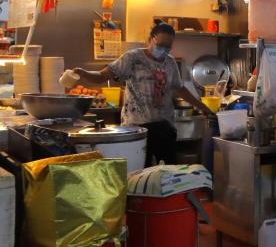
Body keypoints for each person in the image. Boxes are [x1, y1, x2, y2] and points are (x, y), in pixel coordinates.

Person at [72, 22, 215, 166]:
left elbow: (179, 88)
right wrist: (83, 73)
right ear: (150, 39)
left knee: (168, 170)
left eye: (168, 47)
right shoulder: (132, 58)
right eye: (160, 44)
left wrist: (202, 106)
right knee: (139, 171)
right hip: (136, 127)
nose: (164, 50)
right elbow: (101, 76)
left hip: (164, 126)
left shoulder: (170, 63)